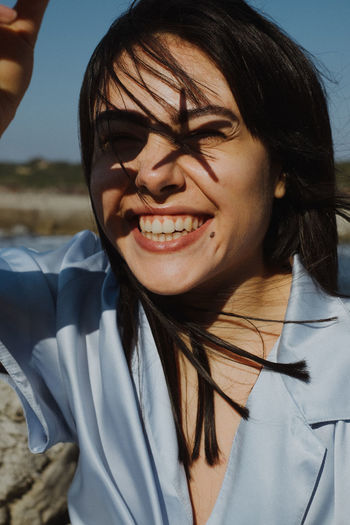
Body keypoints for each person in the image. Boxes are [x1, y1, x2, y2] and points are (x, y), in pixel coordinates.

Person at [1, 0, 350, 523]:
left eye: (204, 133)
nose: (152, 174)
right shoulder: (75, 312)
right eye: (120, 138)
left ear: (281, 169)